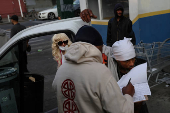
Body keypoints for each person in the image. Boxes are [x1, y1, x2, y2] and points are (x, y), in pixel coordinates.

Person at [52, 25, 135, 113]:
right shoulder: (100, 72)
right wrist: (128, 94)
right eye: (101, 50)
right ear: (97, 48)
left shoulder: (60, 71)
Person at [102, 37, 149, 113]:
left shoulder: (137, 66)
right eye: (127, 61)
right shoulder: (111, 71)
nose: (132, 63)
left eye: (133, 59)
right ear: (117, 60)